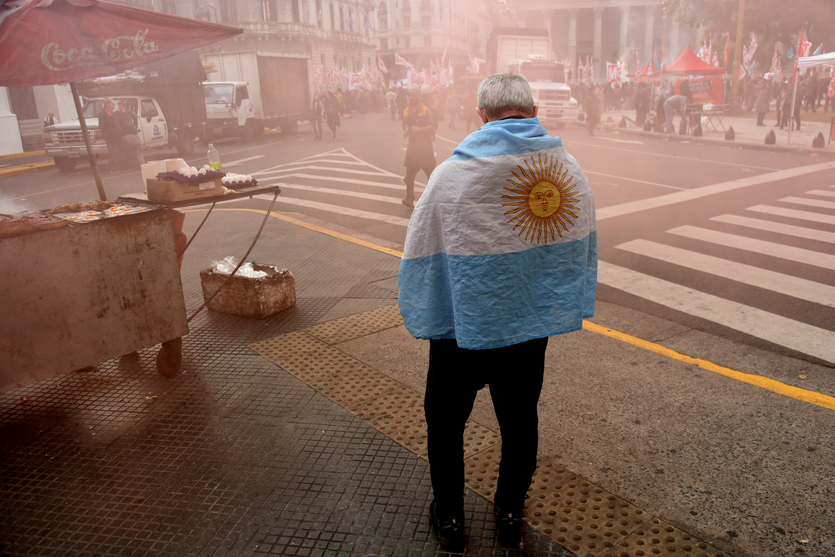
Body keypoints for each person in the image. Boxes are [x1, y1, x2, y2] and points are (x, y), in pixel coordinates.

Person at [398, 72, 597, 551]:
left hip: (461, 330)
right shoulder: (565, 169)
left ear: (481, 115)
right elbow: (578, 242)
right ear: (532, 113)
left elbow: (422, 247)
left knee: (445, 424)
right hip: (526, 329)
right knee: (519, 420)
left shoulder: (450, 174)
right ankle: (509, 513)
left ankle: (449, 520)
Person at [400, 90, 436, 208]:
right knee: (409, 175)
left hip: (425, 149)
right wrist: (406, 131)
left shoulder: (425, 110)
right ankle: (409, 199)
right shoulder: (406, 111)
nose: (411, 98)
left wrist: (419, 130)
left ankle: (436, 199)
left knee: (431, 175)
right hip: (413, 149)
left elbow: (433, 127)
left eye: (413, 95)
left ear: (418, 97)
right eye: (410, 95)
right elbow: (406, 125)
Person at [115, 100, 145, 170]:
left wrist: (135, 126)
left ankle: (140, 163)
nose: (120, 107)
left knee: (137, 147)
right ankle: (141, 163)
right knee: (138, 145)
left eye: (122, 106)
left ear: (125, 107)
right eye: (119, 106)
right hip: (125, 134)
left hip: (132, 132)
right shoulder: (116, 114)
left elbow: (135, 119)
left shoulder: (128, 112)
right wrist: (120, 129)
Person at [97, 98, 122, 174]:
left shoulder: (113, 112)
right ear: (107, 105)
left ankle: (118, 167)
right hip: (110, 137)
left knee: (117, 152)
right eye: (112, 104)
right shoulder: (102, 114)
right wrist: (107, 137)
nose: (114, 105)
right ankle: (113, 168)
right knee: (112, 153)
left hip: (116, 136)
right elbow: (102, 127)